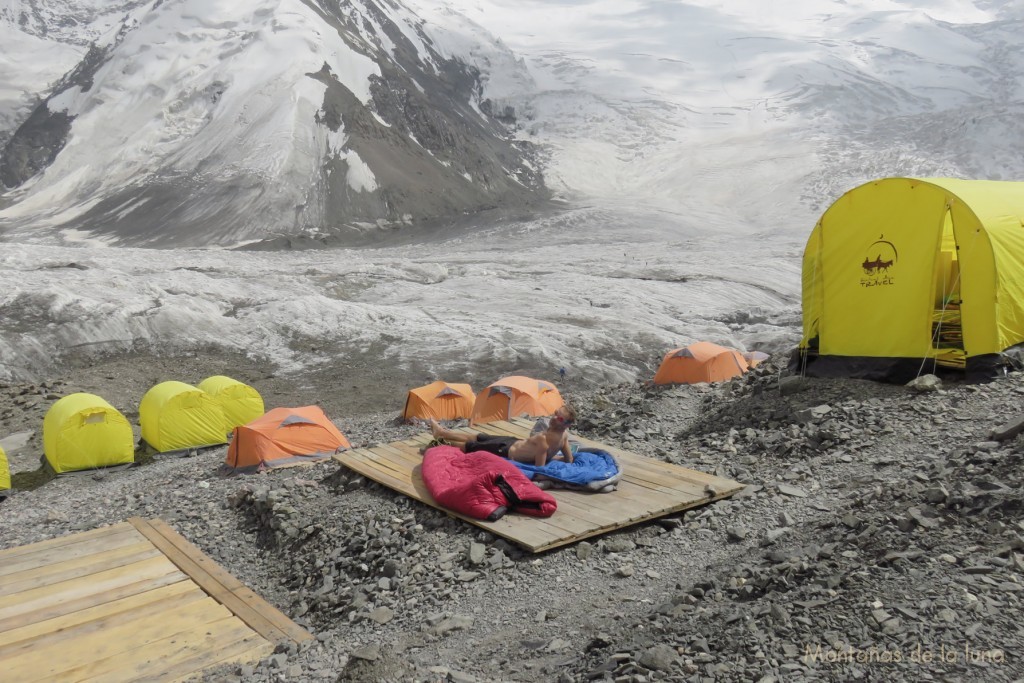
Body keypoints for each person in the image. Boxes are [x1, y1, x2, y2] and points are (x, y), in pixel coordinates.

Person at [428, 404, 577, 467]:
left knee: (472, 446)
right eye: (556, 413)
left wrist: (546, 458)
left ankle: (443, 442)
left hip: (506, 451)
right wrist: (552, 457)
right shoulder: (563, 437)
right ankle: (442, 432)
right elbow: (568, 459)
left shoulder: (543, 440)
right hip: (514, 442)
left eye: (560, 418)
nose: (554, 417)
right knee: (481, 436)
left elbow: (540, 467)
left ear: (566, 425)